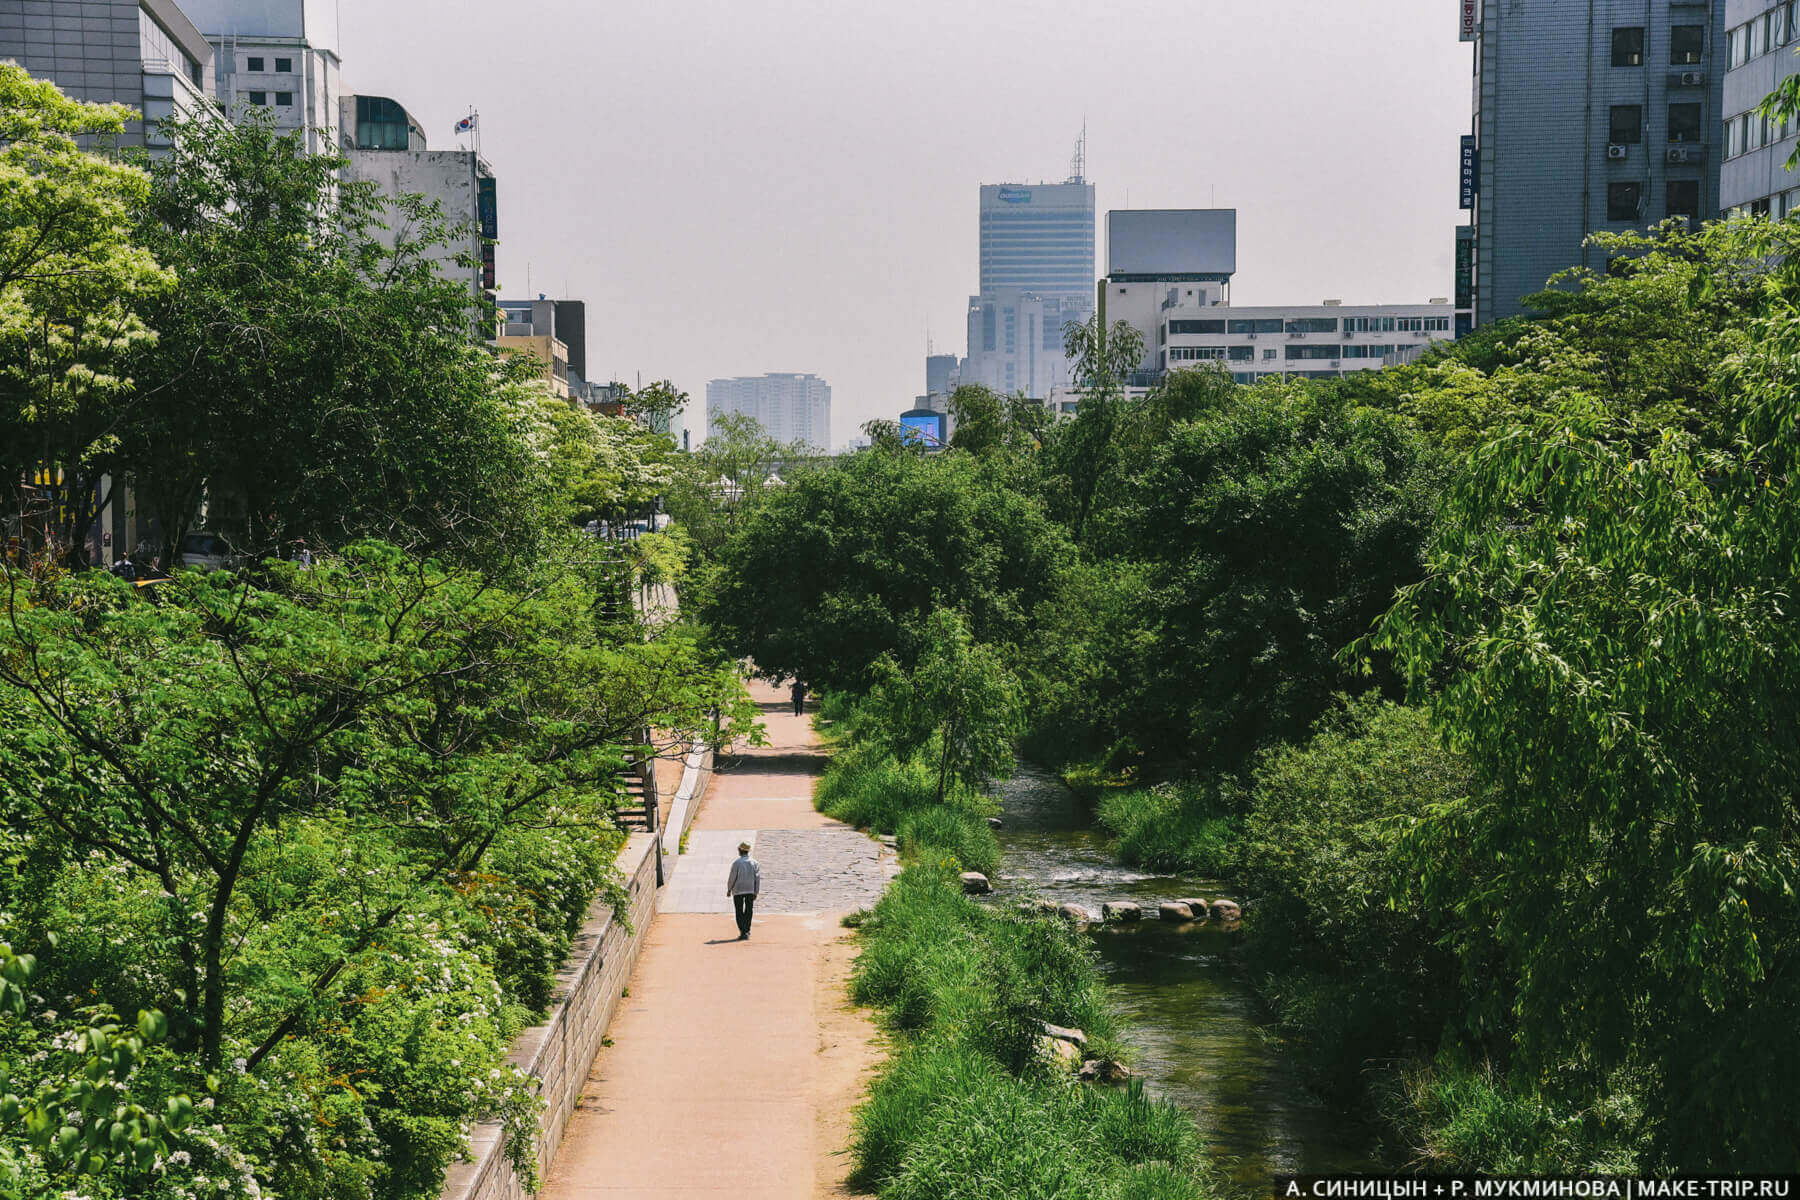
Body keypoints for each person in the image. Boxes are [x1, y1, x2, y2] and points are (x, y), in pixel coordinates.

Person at [726, 840, 761, 940]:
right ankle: (747, 930)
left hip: (738, 890)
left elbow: (732, 877)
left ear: (740, 851)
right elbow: (757, 878)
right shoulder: (754, 863)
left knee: (739, 911)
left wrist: (729, 889)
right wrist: (756, 891)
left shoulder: (737, 863)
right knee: (749, 910)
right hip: (750, 889)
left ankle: (742, 930)